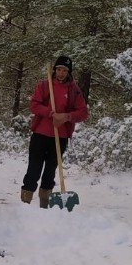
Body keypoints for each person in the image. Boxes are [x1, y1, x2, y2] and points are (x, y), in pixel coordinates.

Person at [20, 56, 89, 208]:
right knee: (34, 168)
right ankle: (25, 204)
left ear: (69, 72)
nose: (61, 73)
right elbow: (34, 105)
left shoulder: (74, 91)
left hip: (60, 136)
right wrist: (51, 114)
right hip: (40, 133)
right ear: (54, 70)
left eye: (64, 70)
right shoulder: (45, 85)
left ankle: (45, 204)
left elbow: (83, 113)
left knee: (50, 171)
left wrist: (66, 116)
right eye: (59, 69)